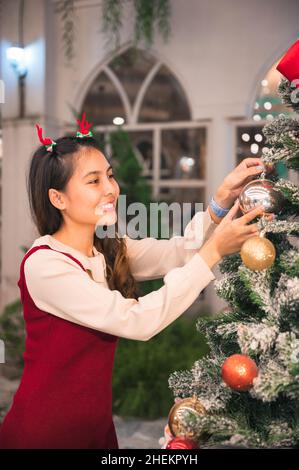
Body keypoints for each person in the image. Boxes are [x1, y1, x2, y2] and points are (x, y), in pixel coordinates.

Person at [0, 113, 270, 449]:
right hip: (43, 433)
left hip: (96, 428)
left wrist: (220, 200)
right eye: (93, 181)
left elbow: (178, 251)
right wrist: (214, 250)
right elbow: (137, 320)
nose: (111, 189)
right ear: (58, 198)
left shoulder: (108, 246)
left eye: (109, 176)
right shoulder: (45, 264)